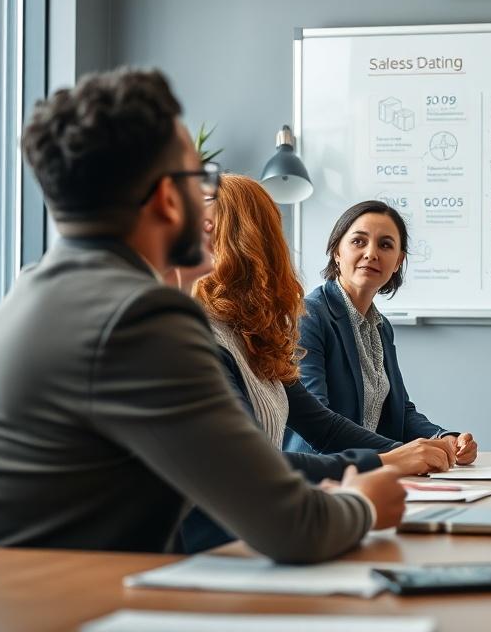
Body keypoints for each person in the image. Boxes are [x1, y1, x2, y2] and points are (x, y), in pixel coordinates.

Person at [0, 69, 406, 560]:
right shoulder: (138, 317)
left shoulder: (38, 292)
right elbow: (293, 528)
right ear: (165, 198)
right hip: (66, 609)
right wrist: (364, 504)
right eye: (197, 181)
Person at [191, 174, 458, 480]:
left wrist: (420, 449)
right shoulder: (205, 339)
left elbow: (325, 425)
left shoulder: (253, 335)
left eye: (386, 245)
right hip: (299, 495)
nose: (371, 253)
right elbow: (247, 461)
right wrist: (388, 461)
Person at [285, 201, 477, 463]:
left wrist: (443, 439)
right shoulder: (309, 315)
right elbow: (316, 418)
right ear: (337, 252)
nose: (371, 253)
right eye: (358, 242)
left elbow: (400, 410)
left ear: (398, 261)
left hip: (373, 470)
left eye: (385, 245)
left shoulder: (380, 326)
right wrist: (399, 452)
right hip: (324, 472)